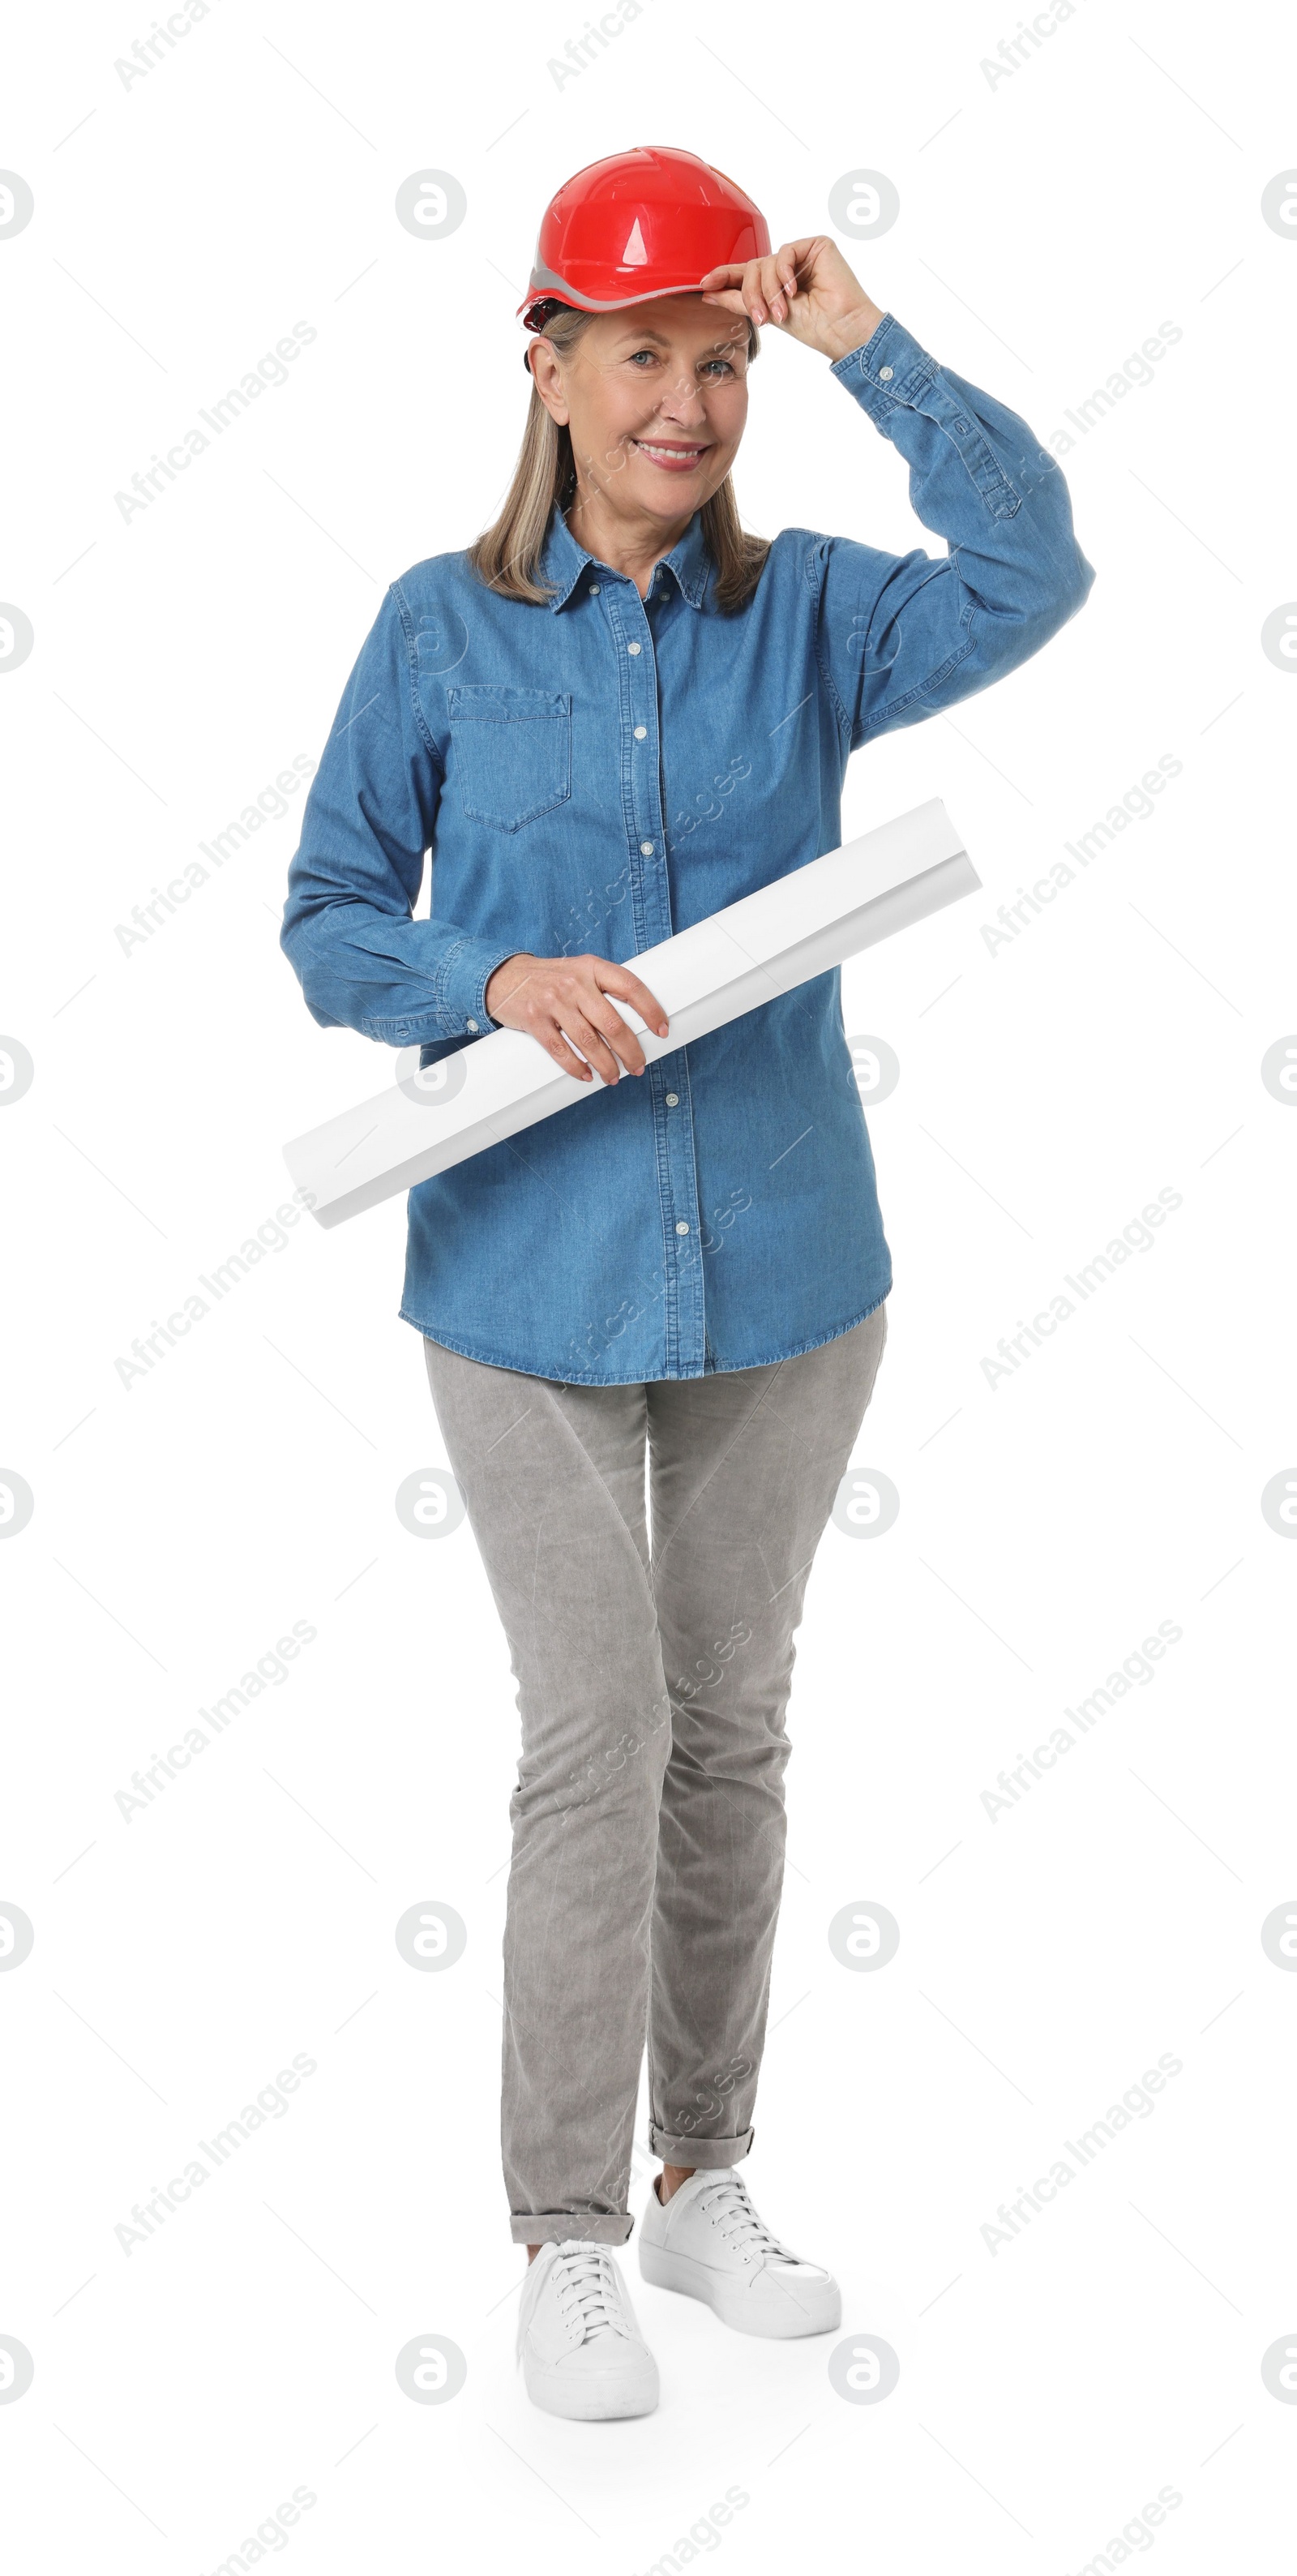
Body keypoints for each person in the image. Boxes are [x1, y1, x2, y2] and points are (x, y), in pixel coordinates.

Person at [280, 144, 1094, 2421]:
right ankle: (556, 2230)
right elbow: (333, 908)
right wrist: (486, 972)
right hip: (523, 1290)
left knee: (731, 1726)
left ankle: (699, 2171)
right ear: (544, 360)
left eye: (723, 360)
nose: (690, 402)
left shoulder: (817, 616)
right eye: (645, 353)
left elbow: (1039, 571)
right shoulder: (436, 632)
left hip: (789, 1271)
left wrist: (875, 353)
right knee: (600, 1731)